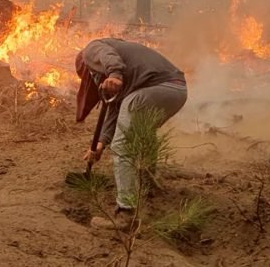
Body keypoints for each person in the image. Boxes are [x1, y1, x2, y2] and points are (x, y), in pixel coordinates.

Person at [74, 38, 187, 228]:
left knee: (121, 145)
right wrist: (100, 144)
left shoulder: (90, 50)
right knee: (144, 132)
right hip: (177, 90)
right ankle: (148, 185)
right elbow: (115, 110)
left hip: (156, 87)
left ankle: (125, 213)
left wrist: (115, 74)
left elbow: (108, 57)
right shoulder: (130, 72)